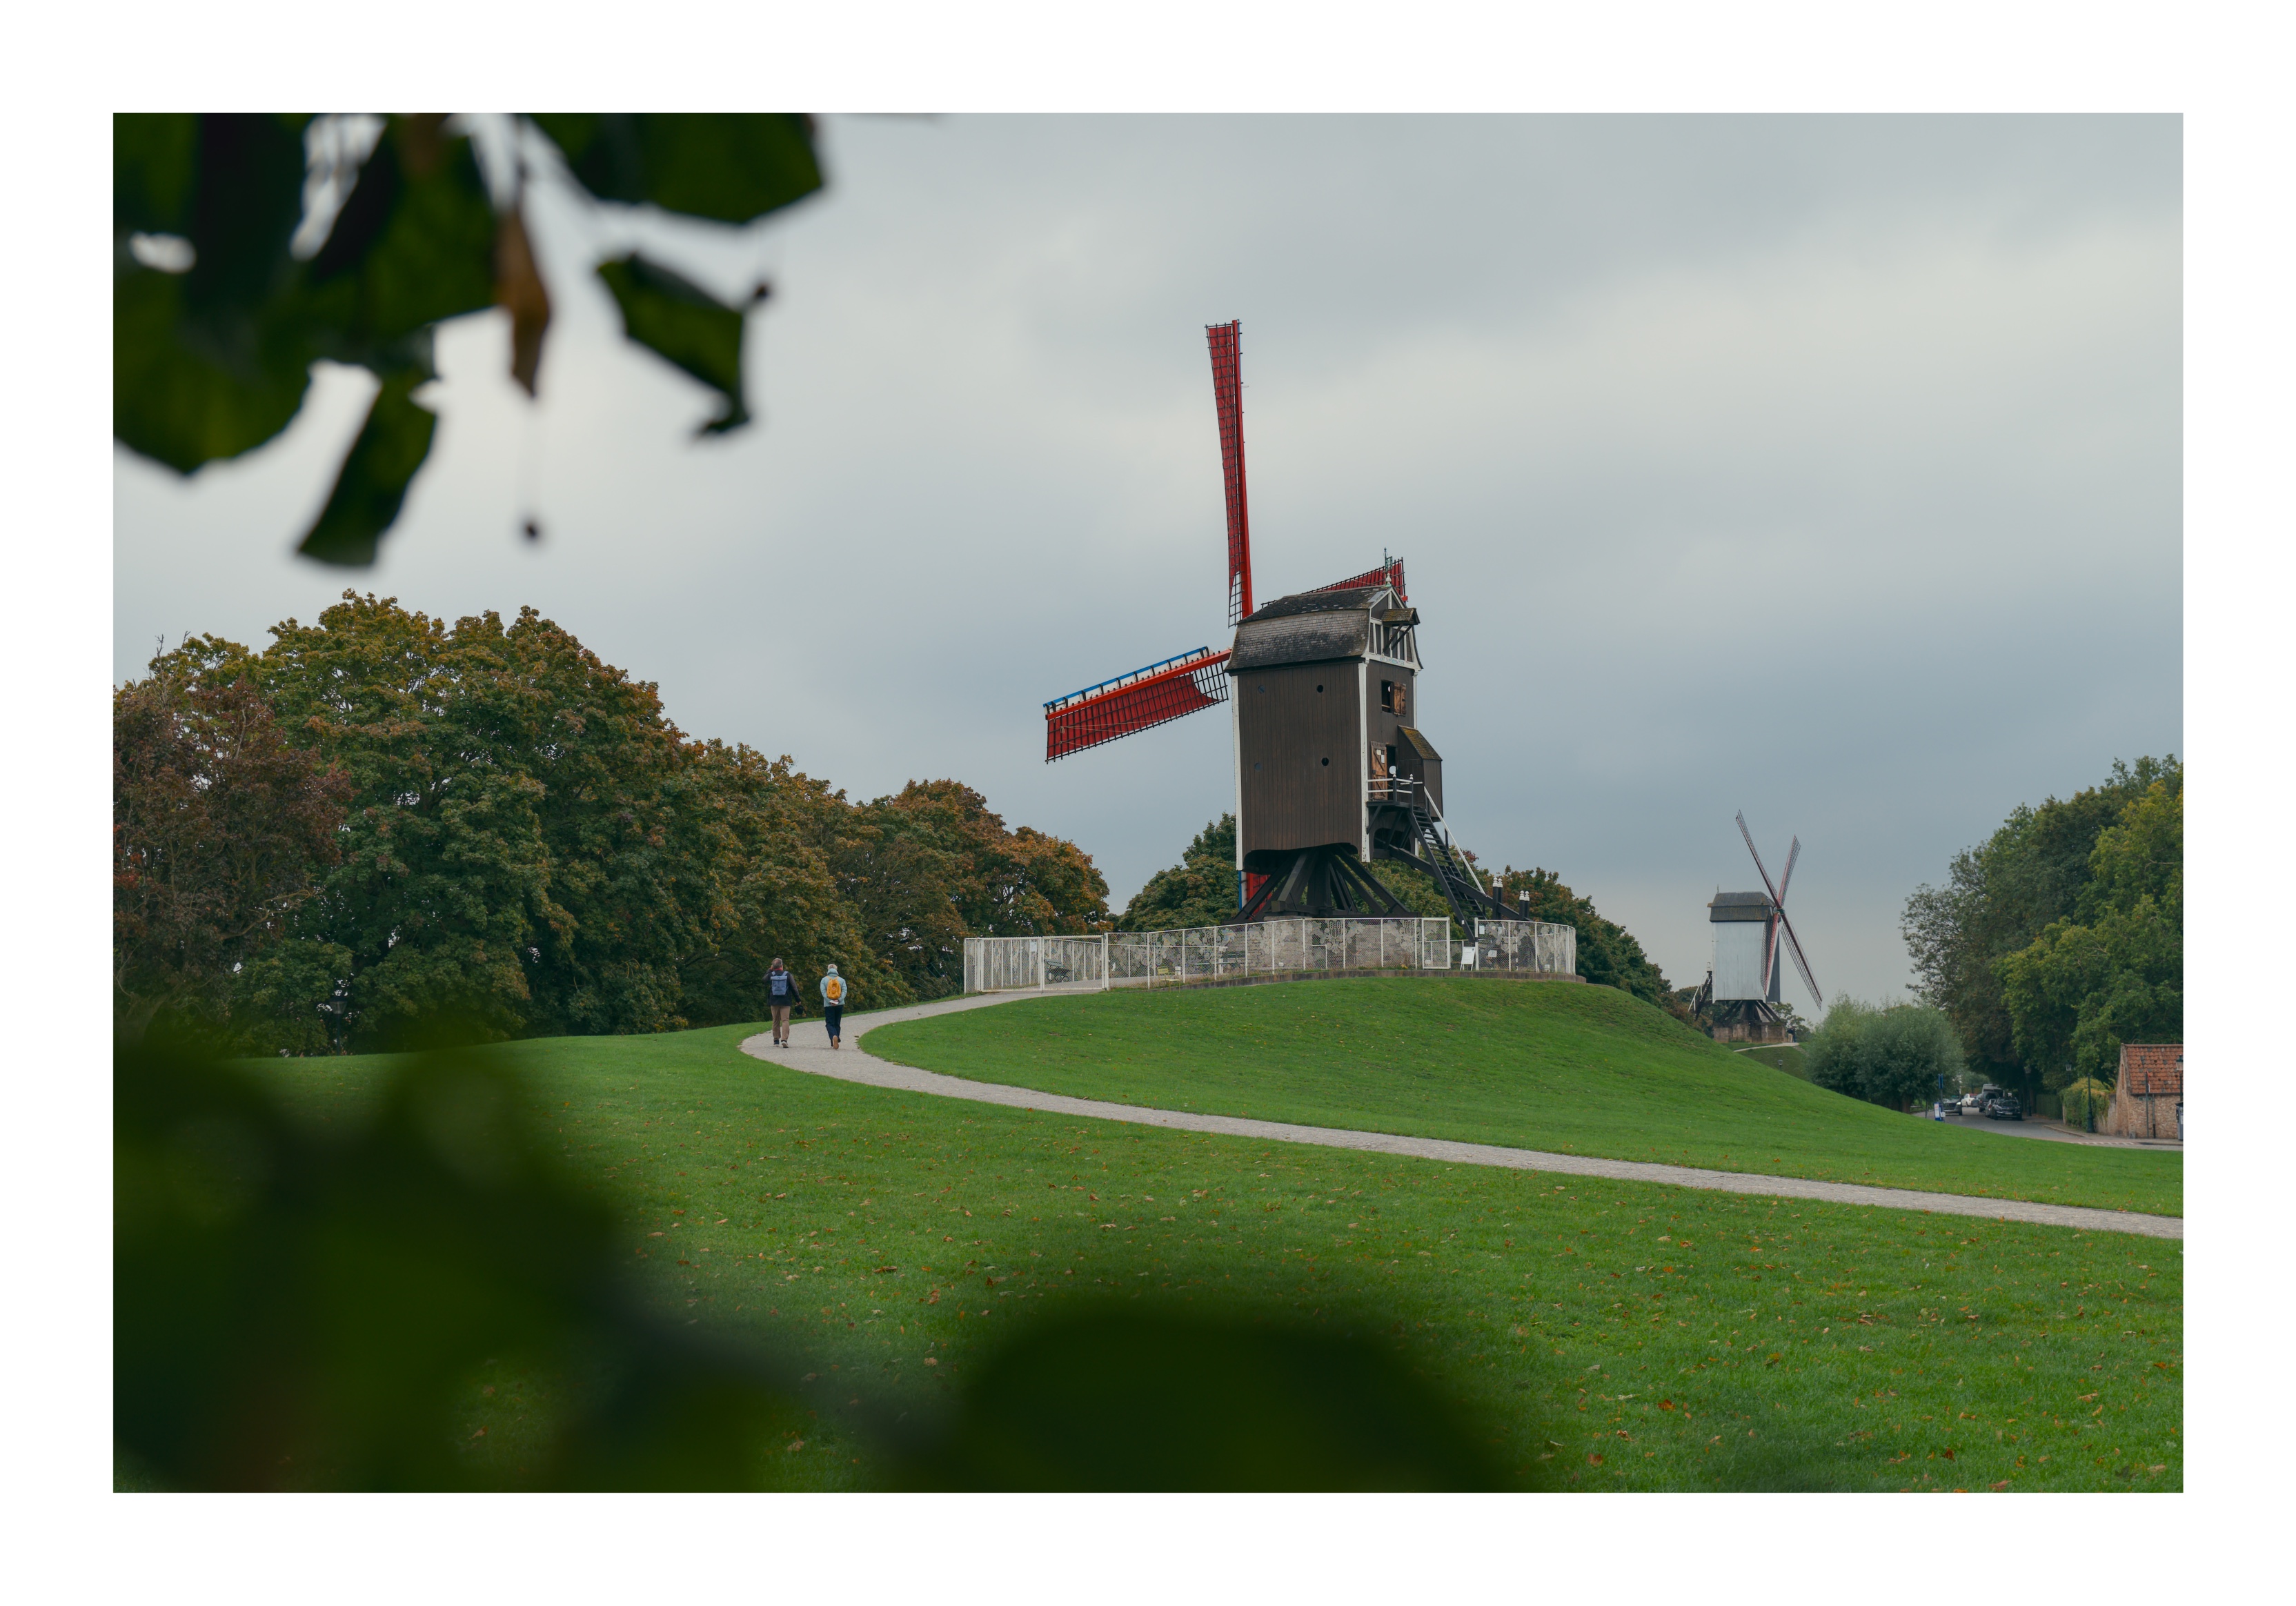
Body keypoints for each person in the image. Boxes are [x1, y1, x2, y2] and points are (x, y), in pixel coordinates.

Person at [765, 958, 800, 1047]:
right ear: (782, 966)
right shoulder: (787, 975)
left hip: (774, 1001)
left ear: (773, 966)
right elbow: (794, 988)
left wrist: (769, 970)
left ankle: (776, 1040)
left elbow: (764, 980)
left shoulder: (771, 975)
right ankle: (784, 1039)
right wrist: (798, 999)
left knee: (775, 1020)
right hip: (785, 1000)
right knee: (785, 1020)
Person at [820, 963, 851, 1049]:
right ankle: (835, 1038)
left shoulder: (824, 980)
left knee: (830, 1023)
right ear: (836, 970)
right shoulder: (842, 980)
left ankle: (834, 1037)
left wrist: (830, 1001)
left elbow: (823, 992)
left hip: (828, 1005)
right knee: (837, 1023)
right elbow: (844, 991)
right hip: (839, 1004)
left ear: (828, 970)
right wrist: (838, 1000)